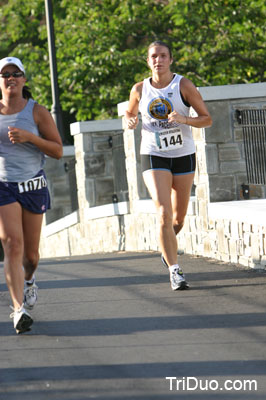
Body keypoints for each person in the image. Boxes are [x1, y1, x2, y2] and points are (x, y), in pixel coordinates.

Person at [125, 41, 212, 291]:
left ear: (170, 60)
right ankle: (175, 271)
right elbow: (130, 113)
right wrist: (130, 121)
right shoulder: (140, 89)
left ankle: (167, 248)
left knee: (178, 218)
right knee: (163, 212)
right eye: (153, 56)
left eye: (163, 56)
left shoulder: (183, 85)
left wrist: (184, 119)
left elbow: (207, 119)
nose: (158, 60)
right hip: (154, 155)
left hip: (183, 154)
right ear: (148, 61)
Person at [0, 57, 63, 333]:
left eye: (16, 73)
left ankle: (29, 281)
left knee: (31, 255)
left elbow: (58, 150)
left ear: (24, 79)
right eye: (4, 74)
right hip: (3, 185)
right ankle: (18, 310)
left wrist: (30, 138)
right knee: (12, 244)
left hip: (32, 185)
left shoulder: (37, 112)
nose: (10, 78)